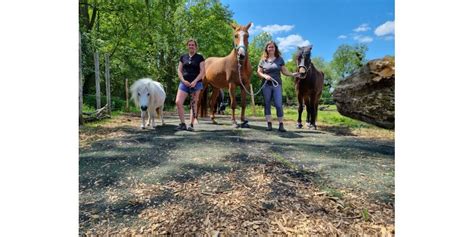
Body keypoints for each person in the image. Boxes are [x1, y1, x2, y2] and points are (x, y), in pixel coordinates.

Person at [257, 41, 299, 132]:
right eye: (269, 47)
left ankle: (281, 125)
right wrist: (265, 76)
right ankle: (269, 124)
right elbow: (259, 72)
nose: (271, 49)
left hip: (277, 84)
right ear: (266, 49)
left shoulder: (280, 59)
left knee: (278, 104)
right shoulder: (263, 60)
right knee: (267, 104)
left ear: (275, 48)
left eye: (272, 47)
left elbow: (284, 71)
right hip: (266, 85)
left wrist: (293, 74)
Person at [175, 39, 205, 131]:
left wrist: (195, 81)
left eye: (193, 45)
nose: (191, 46)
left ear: (196, 46)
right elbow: (179, 70)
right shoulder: (183, 57)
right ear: (187, 46)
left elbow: (202, 72)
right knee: (178, 102)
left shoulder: (200, 58)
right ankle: (183, 123)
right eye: (189, 45)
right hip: (184, 83)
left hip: (196, 84)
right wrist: (183, 80)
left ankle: (191, 124)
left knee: (193, 103)